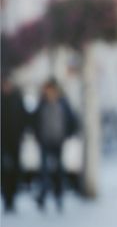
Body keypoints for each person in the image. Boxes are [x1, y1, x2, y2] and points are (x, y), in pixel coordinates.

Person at [31, 78, 77, 212]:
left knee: (58, 171)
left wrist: (67, 135)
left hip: (58, 141)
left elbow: (72, 120)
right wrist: (37, 136)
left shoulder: (63, 103)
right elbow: (34, 121)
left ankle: (58, 197)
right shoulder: (42, 103)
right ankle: (42, 197)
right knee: (44, 171)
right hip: (44, 141)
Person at [1, 77, 29, 213]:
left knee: (14, 170)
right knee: (4, 171)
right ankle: (7, 198)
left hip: (15, 141)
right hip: (2, 142)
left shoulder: (17, 99)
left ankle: (12, 199)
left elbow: (24, 118)